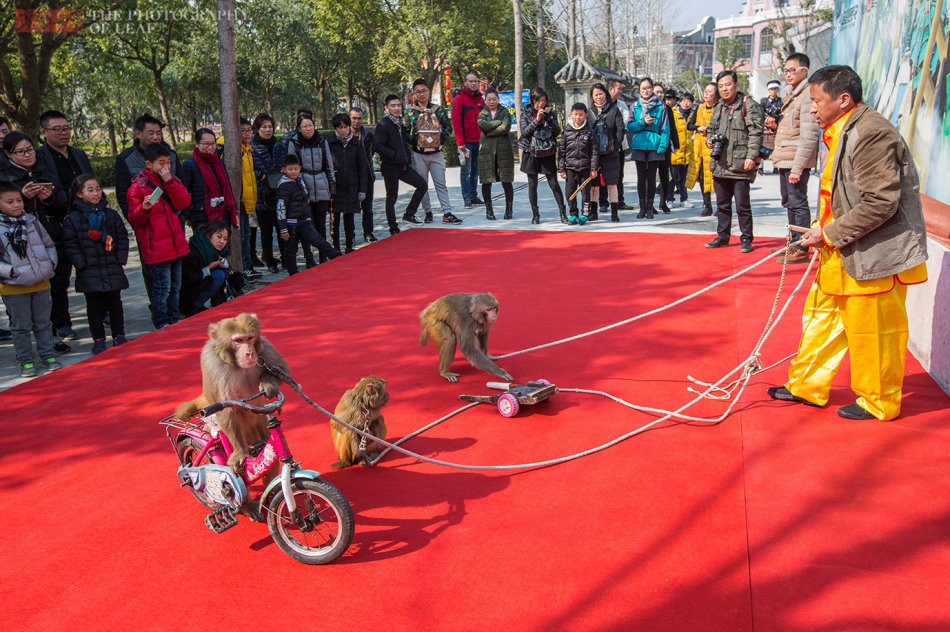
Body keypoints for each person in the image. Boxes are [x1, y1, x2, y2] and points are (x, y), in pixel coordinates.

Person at [767, 65, 928, 421]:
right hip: (840, 247)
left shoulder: (872, 133)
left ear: (842, 100)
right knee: (821, 319)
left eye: (815, 101)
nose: (811, 108)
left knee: (874, 332)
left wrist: (827, 233)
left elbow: (880, 203)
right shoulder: (839, 129)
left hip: (873, 254)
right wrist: (819, 229)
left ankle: (879, 401)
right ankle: (806, 385)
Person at [0, 131, 72, 354]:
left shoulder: (44, 168)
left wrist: (48, 198)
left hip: (48, 236)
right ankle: (28, 348)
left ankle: (54, 334)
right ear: (8, 154)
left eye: (30, 149)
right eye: (20, 152)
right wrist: (23, 198)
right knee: (22, 304)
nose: (27, 155)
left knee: (56, 287)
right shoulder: (5, 177)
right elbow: (7, 208)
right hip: (18, 249)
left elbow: (63, 204)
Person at [35, 110, 94, 341]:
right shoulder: (40, 157)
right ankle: (61, 322)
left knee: (91, 268)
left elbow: (90, 182)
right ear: (44, 132)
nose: (63, 133)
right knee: (60, 277)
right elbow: (48, 191)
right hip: (58, 222)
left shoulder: (78, 154)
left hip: (86, 220)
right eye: (57, 129)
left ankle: (102, 313)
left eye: (66, 128)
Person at [61, 174, 129, 354]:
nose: (96, 193)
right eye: (90, 190)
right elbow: (70, 244)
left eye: (98, 189)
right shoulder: (73, 219)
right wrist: (80, 263)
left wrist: (120, 259)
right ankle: (98, 338)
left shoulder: (111, 215)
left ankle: (119, 335)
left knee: (115, 304)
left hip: (111, 266)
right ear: (79, 194)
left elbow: (122, 237)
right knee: (94, 307)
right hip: (88, 270)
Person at [0, 181, 62, 377]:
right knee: (21, 327)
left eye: (19, 200)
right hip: (15, 287)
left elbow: (49, 244)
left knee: (44, 323)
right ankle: (25, 360)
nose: (17, 205)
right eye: (10, 202)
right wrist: (10, 272)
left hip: (41, 282)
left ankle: (47, 354)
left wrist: (50, 264)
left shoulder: (31, 221)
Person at [127, 143, 191, 329]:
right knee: (161, 289)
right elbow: (134, 218)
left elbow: (184, 202)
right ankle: (161, 321)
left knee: (175, 287)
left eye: (168, 162)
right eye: (161, 163)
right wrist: (144, 208)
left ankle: (174, 318)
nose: (166, 167)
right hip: (157, 247)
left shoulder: (172, 179)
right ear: (149, 163)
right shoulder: (138, 187)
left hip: (176, 244)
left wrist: (170, 181)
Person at [704, 70, 763, 253]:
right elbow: (712, 129)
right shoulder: (718, 107)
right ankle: (723, 236)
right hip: (720, 163)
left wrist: (751, 157)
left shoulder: (749, 105)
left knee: (742, 205)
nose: (724, 89)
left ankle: (746, 238)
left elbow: (756, 133)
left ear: (736, 85)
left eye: (728, 84)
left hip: (740, 163)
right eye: (721, 86)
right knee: (722, 205)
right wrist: (710, 139)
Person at [771, 52, 820, 265]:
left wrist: (798, 167)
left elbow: (809, 135)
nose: (788, 75)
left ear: (804, 71)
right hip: (786, 157)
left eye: (792, 70)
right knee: (790, 203)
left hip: (795, 160)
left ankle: (802, 247)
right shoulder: (793, 94)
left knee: (798, 203)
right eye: (786, 71)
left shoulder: (808, 94)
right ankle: (793, 242)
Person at [405, 78, 461, 224]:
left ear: (428, 92)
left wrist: (442, 138)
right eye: (418, 92)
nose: (422, 94)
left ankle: (447, 212)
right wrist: (413, 140)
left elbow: (449, 127)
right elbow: (404, 132)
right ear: (414, 94)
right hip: (419, 154)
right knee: (422, 185)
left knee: (440, 183)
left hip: (436, 153)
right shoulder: (411, 112)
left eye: (424, 91)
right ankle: (427, 212)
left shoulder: (438, 109)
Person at [275, 154, 340, 274]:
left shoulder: (300, 180)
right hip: (291, 223)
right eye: (290, 169)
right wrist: (283, 228)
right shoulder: (283, 185)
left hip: (305, 220)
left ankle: (336, 257)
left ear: (300, 168)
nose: (293, 172)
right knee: (291, 249)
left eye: (295, 169)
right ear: (283, 170)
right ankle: (293, 273)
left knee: (318, 240)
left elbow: (306, 196)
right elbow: (280, 208)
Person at [374, 94, 428, 233]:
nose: (397, 108)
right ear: (386, 108)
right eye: (393, 106)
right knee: (392, 197)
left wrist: (422, 138)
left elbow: (406, 140)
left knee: (422, 185)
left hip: (404, 166)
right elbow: (378, 146)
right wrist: (395, 155)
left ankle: (409, 214)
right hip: (390, 166)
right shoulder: (384, 125)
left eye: (398, 105)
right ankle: (393, 228)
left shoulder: (399, 124)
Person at [287, 113, 334, 265]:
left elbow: (329, 164)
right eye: (304, 126)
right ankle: (308, 257)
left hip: (321, 184)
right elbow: (292, 169)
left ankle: (323, 255)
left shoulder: (321, 140)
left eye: (310, 125)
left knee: (321, 224)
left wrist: (331, 184)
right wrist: (299, 190)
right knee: (306, 225)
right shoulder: (294, 143)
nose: (308, 129)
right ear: (299, 129)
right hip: (303, 184)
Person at [115, 114, 181, 218]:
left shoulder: (171, 155)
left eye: (158, 133)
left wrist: (181, 215)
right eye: (151, 133)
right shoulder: (126, 159)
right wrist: (135, 221)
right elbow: (123, 195)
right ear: (138, 133)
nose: (156, 137)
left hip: (174, 219)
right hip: (146, 221)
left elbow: (183, 185)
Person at [517, 86, 567, 224]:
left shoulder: (551, 114)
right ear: (533, 100)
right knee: (532, 185)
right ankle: (535, 214)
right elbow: (525, 132)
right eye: (538, 100)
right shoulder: (526, 114)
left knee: (554, 184)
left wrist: (549, 119)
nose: (541, 103)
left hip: (547, 152)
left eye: (544, 100)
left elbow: (556, 132)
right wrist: (537, 120)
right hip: (531, 153)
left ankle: (563, 212)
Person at [627, 77, 670, 219]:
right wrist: (642, 122)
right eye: (643, 88)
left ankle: (650, 207)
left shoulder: (661, 106)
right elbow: (630, 126)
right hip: (639, 143)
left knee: (651, 177)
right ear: (639, 90)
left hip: (654, 142)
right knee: (641, 177)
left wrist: (663, 145)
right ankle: (642, 207)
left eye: (648, 88)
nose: (646, 91)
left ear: (652, 88)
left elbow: (665, 127)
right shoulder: (635, 106)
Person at [327, 113, 369, 253]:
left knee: (349, 218)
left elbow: (363, 166)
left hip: (352, 185)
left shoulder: (356, 143)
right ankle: (336, 246)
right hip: (335, 186)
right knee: (335, 218)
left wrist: (362, 189)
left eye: (345, 127)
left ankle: (349, 244)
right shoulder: (329, 142)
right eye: (340, 128)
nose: (343, 130)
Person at [182, 128, 238, 233]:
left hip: (223, 213)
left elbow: (228, 188)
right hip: (202, 216)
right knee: (206, 247)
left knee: (223, 246)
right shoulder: (189, 165)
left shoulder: (219, 163)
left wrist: (234, 209)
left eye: (213, 143)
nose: (210, 147)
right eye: (205, 144)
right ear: (196, 144)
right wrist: (189, 215)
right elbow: (184, 192)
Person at [250, 113, 285, 273]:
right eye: (264, 127)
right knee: (266, 231)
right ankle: (269, 260)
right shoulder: (251, 147)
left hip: (279, 191)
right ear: (257, 129)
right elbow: (249, 169)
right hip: (262, 194)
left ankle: (286, 258)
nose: (268, 129)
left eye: (270, 126)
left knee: (282, 227)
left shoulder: (279, 146)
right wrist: (259, 175)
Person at [589, 82, 626, 222]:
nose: (598, 97)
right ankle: (593, 212)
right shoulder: (589, 112)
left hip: (611, 153)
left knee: (612, 183)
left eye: (601, 94)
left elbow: (620, 129)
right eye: (596, 95)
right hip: (595, 154)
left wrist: (615, 144)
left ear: (606, 94)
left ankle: (614, 213)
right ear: (592, 97)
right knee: (595, 184)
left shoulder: (614, 109)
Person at [179, 221, 233, 316]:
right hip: (185, 293)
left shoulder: (215, 251)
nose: (222, 242)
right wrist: (208, 268)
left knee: (221, 273)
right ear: (208, 235)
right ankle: (194, 307)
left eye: (225, 239)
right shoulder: (195, 251)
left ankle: (198, 305)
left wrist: (222, 263)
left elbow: (226, 266)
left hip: (197, 283)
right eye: (219, 237)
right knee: (219, 275)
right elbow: (189, 279)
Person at [477, 88, 516, 220]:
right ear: (485, 100)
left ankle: (509, 209)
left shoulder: (504, 112)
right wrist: (497, 124)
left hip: (504, 151)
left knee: (506, 180)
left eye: (494, 99)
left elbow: (505, 127)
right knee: (486, 181)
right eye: (489, 99)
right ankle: (489, 210)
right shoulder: (483, 113)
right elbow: (481, 124)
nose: (492, 102)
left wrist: (489, 132)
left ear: (498, 99)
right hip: (487, 152)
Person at [558, 102, 599, 225]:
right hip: (570, 168)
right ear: (571, 114)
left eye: (581, 115)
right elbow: (561, 152)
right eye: (576, 114)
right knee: (570, 192)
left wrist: (594, 168)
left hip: (585, 167)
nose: (578, 117)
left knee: (586, 193)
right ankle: (573, 213)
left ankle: (585, 214)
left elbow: (594, 152)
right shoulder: (566, 132)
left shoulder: (589, 132)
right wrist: (562, 169)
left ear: (586, 115)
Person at [451, 73, 486, 208]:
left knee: (476, 170)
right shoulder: (459, 99)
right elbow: (456, 122)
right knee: (465, 170)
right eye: (470, 81)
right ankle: (466, 197)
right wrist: (460, 142)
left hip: (478, 141)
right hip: (465, 144)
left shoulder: (480, 99)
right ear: (465, 83)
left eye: (475, 81)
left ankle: (473, 195)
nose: (473, 84)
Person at [686, 82, 719, 217]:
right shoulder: (699, 108)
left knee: (715, 178)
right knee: (701, 177)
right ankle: (707, 205)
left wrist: (709, 129)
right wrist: (698, 127)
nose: (706, 94)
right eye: (705, 91)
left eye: (710, 92)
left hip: (713, 147)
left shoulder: (719, 109)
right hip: (699, 147)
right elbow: (689, 125)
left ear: (716, 95)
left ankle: (720, 206)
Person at [349, 107, 378, 243]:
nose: (356, 121)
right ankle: (350, 235)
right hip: (349, 177)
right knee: (349, 208)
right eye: (354, 118)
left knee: (368, 208)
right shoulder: (345, 134)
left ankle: (368, 232)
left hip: (367, 175)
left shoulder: (368, 134)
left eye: (359, 118)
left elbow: (372, 152)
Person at [651, 84, 679, 214]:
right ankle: (649, 203)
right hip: (651, 145)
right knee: (650, 176)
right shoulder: (648, 107)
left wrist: (676, 144)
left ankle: (663, 203)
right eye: (657, 92)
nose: (660, 94)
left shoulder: (667, 108)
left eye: (661, 92)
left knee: (664, 174)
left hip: (665, 145)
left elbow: (672, 128)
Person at [605, 79, 632, 210]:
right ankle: (603, 202)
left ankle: (619, 201)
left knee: (619, 174)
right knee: (602, 174)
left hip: (619, 144)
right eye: (619, 88)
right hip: (603, 145)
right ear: (611, 90)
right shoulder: (603, 104)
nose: (621, 91)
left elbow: (626, 120)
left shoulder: (621, 104)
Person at [669, 92, 693, 207]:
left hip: (687, 151)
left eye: (688, 101)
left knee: (683, 178)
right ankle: (669, 199)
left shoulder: (693, 115)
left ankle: (684, 199)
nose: (686, 103)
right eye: (684, 101)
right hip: (675, 149)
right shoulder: (673, 113)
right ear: (679, 102)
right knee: (672, 177)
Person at [759, 79, 783, 173]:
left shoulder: (781, 101)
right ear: (768, 90)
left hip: (776, 126)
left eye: (775, 89)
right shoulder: (764, 101)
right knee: (762, 146)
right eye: (771, 89)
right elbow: (760, 113)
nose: (773, 91)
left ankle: (775, 166)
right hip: (765, 127)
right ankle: (761, 167)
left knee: (775, 146)